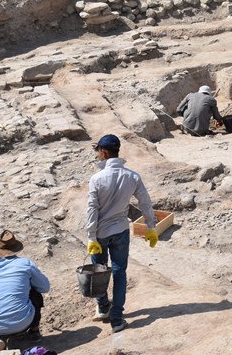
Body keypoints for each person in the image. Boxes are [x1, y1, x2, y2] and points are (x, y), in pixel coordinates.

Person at [86, 134, 158, 334]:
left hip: (100, 233)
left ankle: (102, 307)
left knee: (99, 272)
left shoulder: (97, 179)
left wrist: (91, 237)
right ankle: (117, 319)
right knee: (119, 273)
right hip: (120, 231)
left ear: (103, 152)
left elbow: (92, 208)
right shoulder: (132, 176)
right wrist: (151, 227)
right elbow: (145, 202)